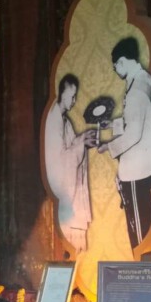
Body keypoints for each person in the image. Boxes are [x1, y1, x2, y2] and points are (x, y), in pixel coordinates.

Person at [98, 37, 151, 251]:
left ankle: (140, 265)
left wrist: (108, 146)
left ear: (122, 61)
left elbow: (133, 133)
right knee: (143, 225)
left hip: (136, 173)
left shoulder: (136, 90)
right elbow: (135, 119)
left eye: (115, 65)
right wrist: (112, 124)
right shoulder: (143, 80)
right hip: (146, 168)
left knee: (139, 231)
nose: (115, 70)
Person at [43, 73, 96, 253]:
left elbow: (71, 147)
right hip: (65, 203)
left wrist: (82, 139)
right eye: (71, 96)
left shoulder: (66, 122)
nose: (74, 101)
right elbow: (59, 162)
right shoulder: (54, 120)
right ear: (61, 94)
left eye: (75, 97)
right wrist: (81, 144)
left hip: (73, 197)